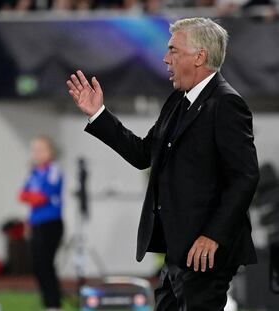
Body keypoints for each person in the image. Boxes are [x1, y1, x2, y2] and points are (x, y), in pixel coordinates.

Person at [67, 17, 259, 310]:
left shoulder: (226, 104)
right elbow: (143, 153)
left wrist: (213, 236)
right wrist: (98, 115)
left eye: (173, 50)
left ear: (199, 57)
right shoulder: (176, 101)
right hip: (176, 252)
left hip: (206, 253)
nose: (165, 58)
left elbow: (245, 177)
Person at [18, 136, 64, 311]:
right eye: (34, 150)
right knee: (37, 266)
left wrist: (32, 196)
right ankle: (48, 303)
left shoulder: (54, 171)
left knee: (46, 264)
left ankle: (54, 304)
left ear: (50, 152)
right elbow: (22, 195)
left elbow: (40, 198)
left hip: (51, 225)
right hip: (36, 224)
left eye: (41, 150)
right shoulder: (35, 173)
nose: (37, 154)